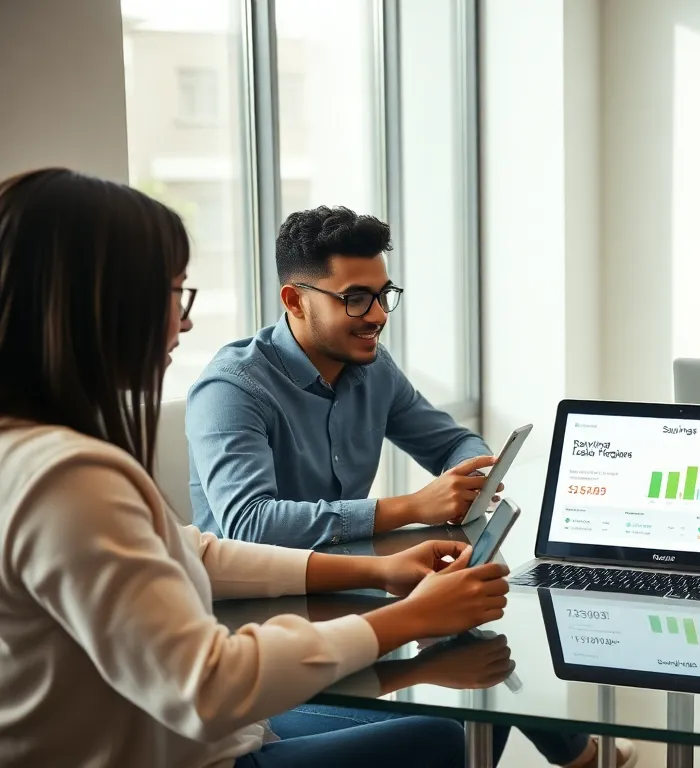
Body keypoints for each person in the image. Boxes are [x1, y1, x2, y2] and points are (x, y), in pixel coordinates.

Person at [0, 168, 514, 767]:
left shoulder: (42, 456)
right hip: (204, 748)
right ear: (96, 304)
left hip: (230, 725)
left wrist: (384, 572)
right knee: (447, 736)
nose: (184, 321)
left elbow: (197, 551)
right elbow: (208, 685)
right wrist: (408, 617)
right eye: (174, 293)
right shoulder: (69, 480)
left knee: (472, 707)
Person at [187, 206, 496, 550]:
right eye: (356, 299)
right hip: (251, 584)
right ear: (295, 301)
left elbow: (454, 444)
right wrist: (412, 507)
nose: (378, 315)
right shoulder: (231, 388)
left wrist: (470, 478)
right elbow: (250, 524)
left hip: (353, 571)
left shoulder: (376, 368)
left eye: (382, 295)